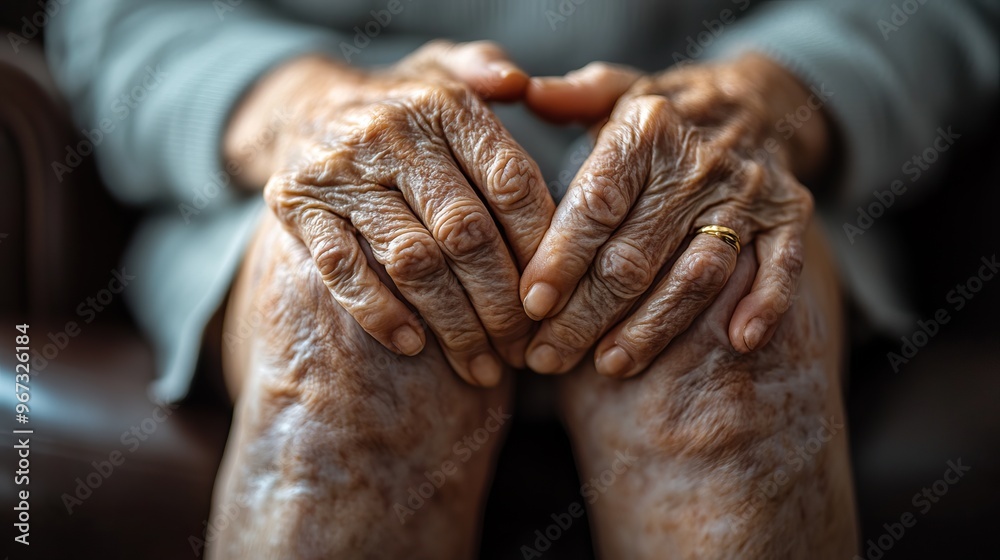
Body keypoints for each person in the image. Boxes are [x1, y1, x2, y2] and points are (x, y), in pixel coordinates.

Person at [46, 1, 997, 557]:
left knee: (726, 316)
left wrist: (768, 99)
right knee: (353, 306)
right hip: (299, 128)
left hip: (733, 131)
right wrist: (311, 109)